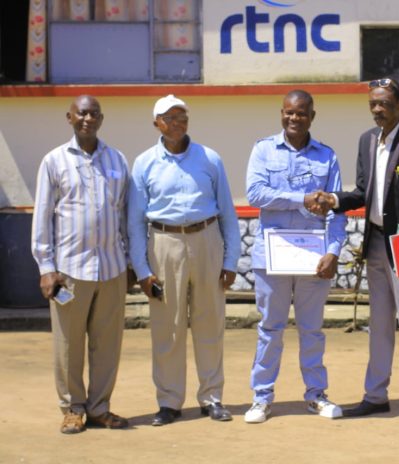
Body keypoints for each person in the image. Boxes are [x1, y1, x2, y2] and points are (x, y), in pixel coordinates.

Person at [313, 77, 399, 421]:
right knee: (379, 322)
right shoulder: (367, 140)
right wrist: (334, 200)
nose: (378, 109)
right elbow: (362, 193)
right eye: (373, 103)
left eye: (384, 103)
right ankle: (375, 395)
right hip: (375, 244)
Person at [128, 95, 241, 426]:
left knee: (210, 324)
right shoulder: (144, 163)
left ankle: (212, 397)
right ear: (156, 123)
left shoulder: (210, 158)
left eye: (182, 117)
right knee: (168, 328)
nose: (177, 123)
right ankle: (169, 401)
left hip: (207, 241)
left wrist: (231, 261)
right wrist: (142, 270)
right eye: (169, 117)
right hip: (164, 244)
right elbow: (135, 222)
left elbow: (228, 213)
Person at [243, 90, 347, 424]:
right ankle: (261, 398)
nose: (294, 118)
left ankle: (316, 395)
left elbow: (337, 209)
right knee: (270, 329)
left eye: (301, 113)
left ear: (311, 117)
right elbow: (255, 194)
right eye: (289, 112)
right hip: (272, 256)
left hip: (312, 258)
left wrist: (333, 251)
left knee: (312, 330)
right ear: (281, 114)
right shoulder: (263, 150)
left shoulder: (327, 156)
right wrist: (300, 199)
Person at [31, 95, 130, 434]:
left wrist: (130, 262)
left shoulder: (117, 159)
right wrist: (46, 267)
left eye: (94, 114)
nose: (88, 118)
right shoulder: (54, 161)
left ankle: (99, 408)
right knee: (68, 344)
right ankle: (73, 408)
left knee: (107, 344)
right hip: (69, 271)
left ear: (101, 119)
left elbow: (124, 214)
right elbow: (43, 215)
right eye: (82, 113)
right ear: (70, 117)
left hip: (112, 268)